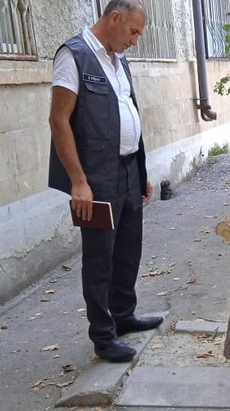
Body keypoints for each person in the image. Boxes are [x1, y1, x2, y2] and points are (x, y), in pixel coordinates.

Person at [48, 0, 161, 363]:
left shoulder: (119, 59)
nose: (135, 40)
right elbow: (59, 121)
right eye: (133, 32)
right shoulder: (74, 55)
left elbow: (129, 113)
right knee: (100, 257)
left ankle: (124, 316)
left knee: (129, 248)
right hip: (95, 178)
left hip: (128, 170)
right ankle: (103, 335)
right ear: (114, 18)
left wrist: (141, 172)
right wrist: (78, 181)